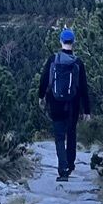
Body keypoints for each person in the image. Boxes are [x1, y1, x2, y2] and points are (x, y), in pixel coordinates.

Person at [37, 26, 93, 181]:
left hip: (55, 102)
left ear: (61, 41)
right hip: (73, 104)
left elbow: (44, 80)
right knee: (71, 134)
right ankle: (70, 165)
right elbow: (83, 88)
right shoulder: (78, 62)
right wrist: (87, 111)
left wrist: (41, 97)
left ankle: (62, 170)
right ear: (73, 42)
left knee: (59, 136)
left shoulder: (53, 59)